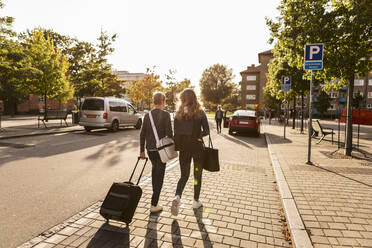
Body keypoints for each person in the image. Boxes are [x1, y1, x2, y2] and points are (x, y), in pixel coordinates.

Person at [171, 88, 210, 215]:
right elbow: (207, 131)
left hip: (184, 149)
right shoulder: (200, 112)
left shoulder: (178, 113)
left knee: (184, 175)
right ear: (194, 98)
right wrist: (198, 134)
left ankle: (177, 196)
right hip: (197, 148)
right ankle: (195, 201)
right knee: (197, 175)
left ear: (182, 98)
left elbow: (175, 132)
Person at [140, 92, 173, 213]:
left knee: (155, 173)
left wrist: (141, 151)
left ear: (154, 101)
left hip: (150, 150)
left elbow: (142, 134)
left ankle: (155, 201)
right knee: (160, 177)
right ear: (163, 101)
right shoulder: (166, 115)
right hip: (161, 151)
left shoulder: (147, 115)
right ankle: (154, 204)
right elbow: (169, 134)